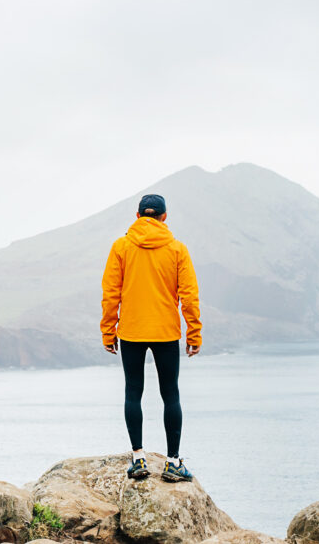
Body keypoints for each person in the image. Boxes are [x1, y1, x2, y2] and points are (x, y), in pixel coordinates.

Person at [100, 193, 202, 482]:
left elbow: (111, 294)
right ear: (164, 217)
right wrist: (194, 332)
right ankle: (172, 463)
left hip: (131, 331)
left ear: (137, 216)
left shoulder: (121, 247)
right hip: (165, 332)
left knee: (133, 392)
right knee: (170, 393)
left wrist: (108, 331)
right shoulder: (177, 249)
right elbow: (189, 296)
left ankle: (138, 458)